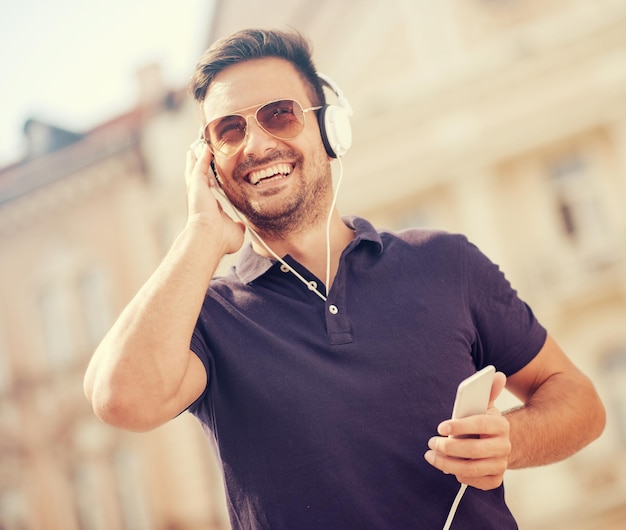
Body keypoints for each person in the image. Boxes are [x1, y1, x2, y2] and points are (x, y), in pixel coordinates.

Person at [83, 28, 606, 530]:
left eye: (279, 116)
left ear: (331, 129)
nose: (256, 144)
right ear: (210, 165)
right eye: (230, 130)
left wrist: (510, 440)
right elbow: (119, 399)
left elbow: (579, 404)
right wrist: (200, 231)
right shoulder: (208, 318)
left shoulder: (446, 261)